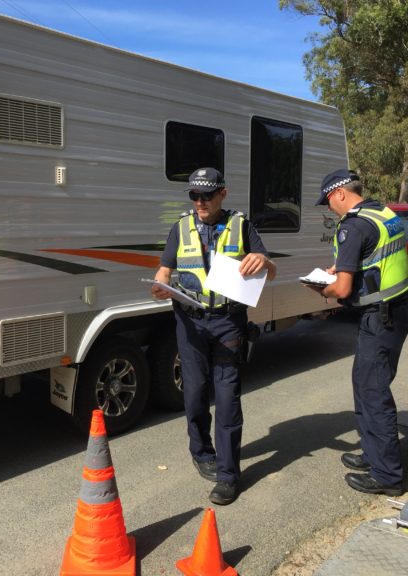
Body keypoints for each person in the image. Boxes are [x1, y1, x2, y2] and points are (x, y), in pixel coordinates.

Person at [150, 167, 276, 506]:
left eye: (207, 195)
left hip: (228, 323)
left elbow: (271, 268)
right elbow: (164, 269)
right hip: (189, 324)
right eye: (194, 195)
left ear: (223, 192)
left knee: (227, 398)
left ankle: (228, 476)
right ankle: (201, 450)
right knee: (193, 395)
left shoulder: (241, 224)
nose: (200, 202)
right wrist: (160, 286)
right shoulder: (181, 227)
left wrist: (261, 259)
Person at [307, 169, 408, 496]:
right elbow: (376, 256)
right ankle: (372, 453)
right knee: (365, 382)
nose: (329, 208)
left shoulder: (353, 226)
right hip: (397, 308)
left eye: (327, 202)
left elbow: (343, 289)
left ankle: (387, 475)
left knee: (373, 392)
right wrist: (346, 269)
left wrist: (322, 290)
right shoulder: (382, 212)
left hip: (379, 317)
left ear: (339, 194)